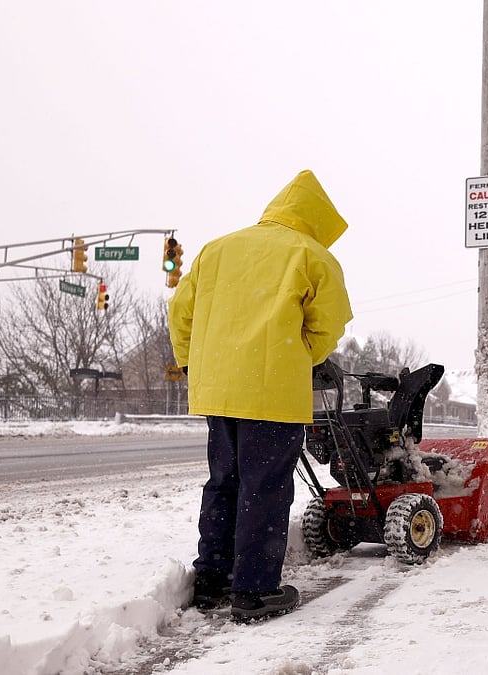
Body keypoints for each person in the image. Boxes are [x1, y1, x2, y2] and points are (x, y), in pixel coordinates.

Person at [167, 170, 353, 623]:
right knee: (265, 488)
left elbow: (180, 312)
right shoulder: (312, 256)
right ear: (317, 219)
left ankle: (212, 580)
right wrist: (301, 358)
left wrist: (195, 363)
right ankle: (254, 591)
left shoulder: (218, 248)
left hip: (218, 391)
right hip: (271, 391)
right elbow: (328, 326)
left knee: (223, 483)